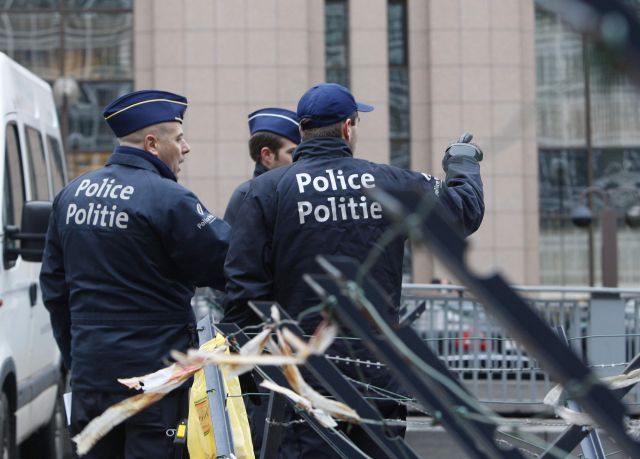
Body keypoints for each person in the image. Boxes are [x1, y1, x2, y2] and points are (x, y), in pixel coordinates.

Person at [223, 83, 485, 458]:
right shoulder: (391, 182)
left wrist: (254, 376)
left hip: (298, 382)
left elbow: (243, 294)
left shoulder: (262, 192)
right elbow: (463, 212)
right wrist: (462, 162)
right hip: (374, 378)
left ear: (301, 132)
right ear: (348, 128)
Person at [40, 89, 231, 458]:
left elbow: (54, 290)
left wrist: (79, 357)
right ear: (152, 144)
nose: (186, 148)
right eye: (178, 139)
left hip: (91, 376)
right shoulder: (170, 199)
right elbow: (229, 266)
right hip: (154, 379)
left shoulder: (71, 195)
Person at [224, 107, 300, 226]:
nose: (300, 158)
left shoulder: (300, 188)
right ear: (267, 155)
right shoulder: (246, 196)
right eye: (292, 152)